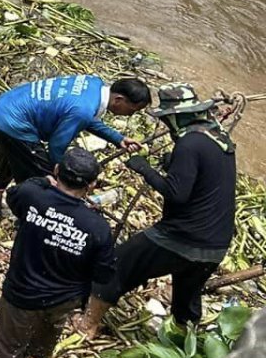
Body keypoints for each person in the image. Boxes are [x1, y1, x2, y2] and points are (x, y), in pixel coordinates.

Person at [0, 148, 116, 358]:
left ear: (56, 172)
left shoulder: (33, 196)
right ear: (91, 186)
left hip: (21, 293)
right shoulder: (97, 226)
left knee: (7, 347)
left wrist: (43, 182)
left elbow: (14, 195)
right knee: (50, 328)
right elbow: (103, 274)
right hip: (64, 298)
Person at [99, 85, 237, 329]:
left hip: (183, 238)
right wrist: (172, 164)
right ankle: (187, 342)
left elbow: (177, 194)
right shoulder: (219, 138)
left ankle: (88, 324)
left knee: (117, 264)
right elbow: (204, 178)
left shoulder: (189, 144)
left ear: (176, 117)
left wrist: (143, 168)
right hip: (216, 245)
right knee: (186, 297)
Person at [0, 74, 150, 219]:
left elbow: (85, 118)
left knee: (7, 161)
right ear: (119, 99)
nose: (130, 114)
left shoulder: (94, 84)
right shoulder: (82, 109)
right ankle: (28, 217)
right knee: (41, 178)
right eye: (133, 110)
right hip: (16, 123)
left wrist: (118, 138)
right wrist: (59, 172)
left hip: (6, 106)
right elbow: (56, 146)